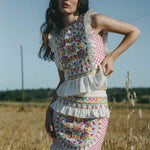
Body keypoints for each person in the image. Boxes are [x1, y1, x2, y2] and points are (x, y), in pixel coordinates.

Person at [39, 0, 140, 149]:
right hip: (62, 112)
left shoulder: (93, 21)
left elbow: (134, 31)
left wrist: (111, 57)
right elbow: (63, 81)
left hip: (93, 111)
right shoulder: (55, 36)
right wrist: (50, 108)